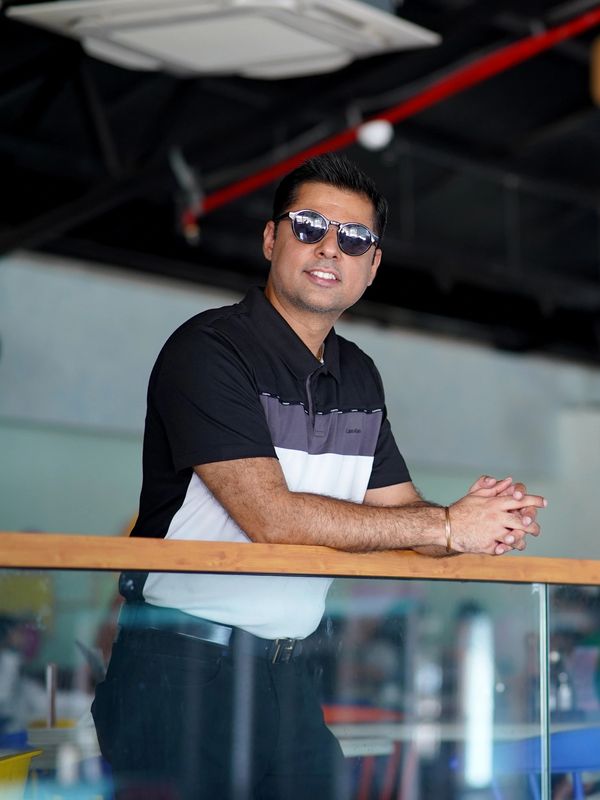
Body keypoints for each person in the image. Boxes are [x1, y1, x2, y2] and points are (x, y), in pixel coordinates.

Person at [91, 153, 546, 800]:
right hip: (179, 670)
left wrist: (474, 524)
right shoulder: (209, 349)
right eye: (309, 226)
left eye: (355, 238)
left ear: (372, 267)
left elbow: (403, 514)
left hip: (291, 671)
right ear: (272, 239)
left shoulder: (357, 375)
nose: (331, 247)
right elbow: (270, 518)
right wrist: (446, 524)